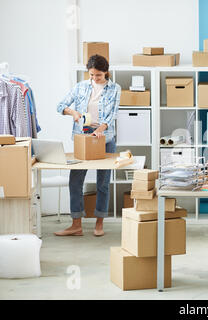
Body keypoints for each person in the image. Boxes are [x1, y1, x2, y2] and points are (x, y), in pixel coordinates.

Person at [55, 54, 121, 237]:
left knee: (103, 183)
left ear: (105, 72)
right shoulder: (80, 86)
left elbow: (112, 116)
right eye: (91, 75)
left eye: (98, 75)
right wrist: (72, 112)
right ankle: (76, 225)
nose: (94, 78)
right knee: (75, 181)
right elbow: (60, 105)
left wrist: (100, 129)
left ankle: (99, 224)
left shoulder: (115, 88)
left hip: (104, 139)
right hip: (82, 137)